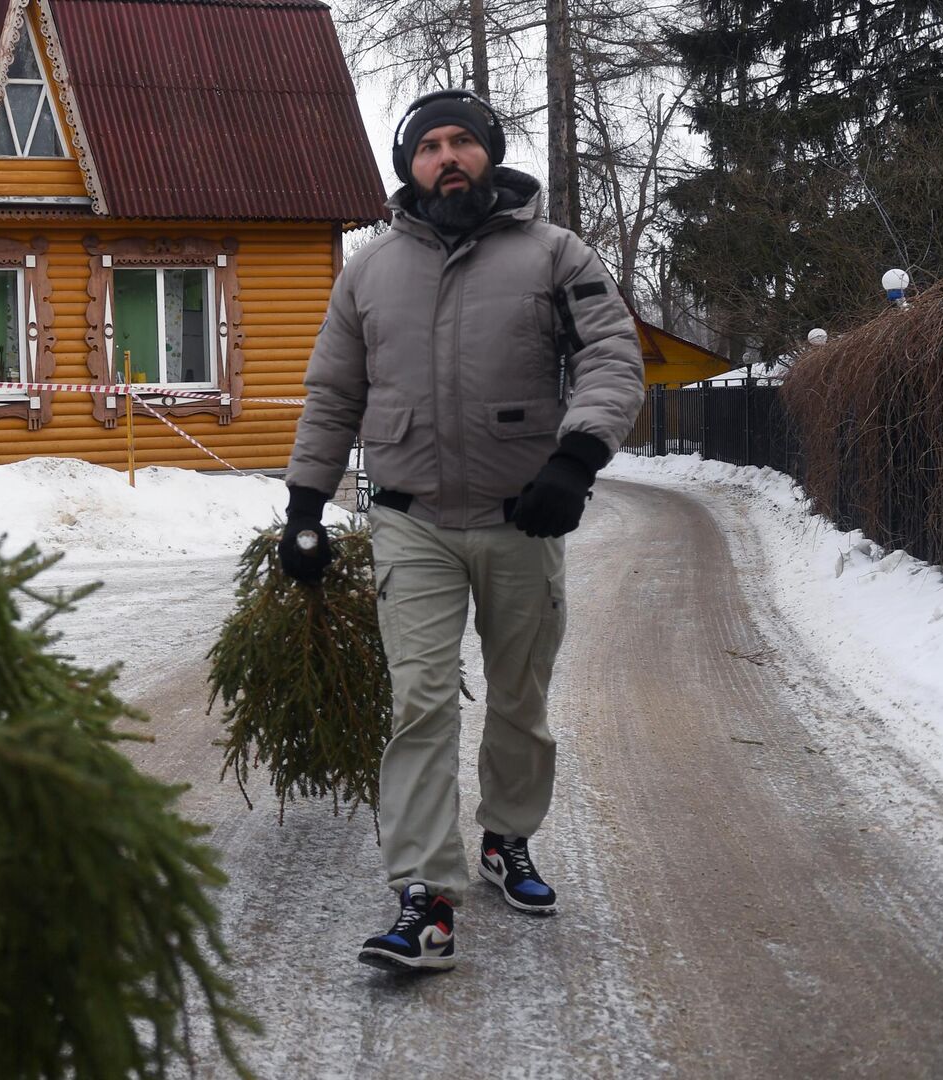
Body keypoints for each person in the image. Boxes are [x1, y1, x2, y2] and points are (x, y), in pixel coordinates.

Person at [280, 89, 644, 973]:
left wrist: (576, 459)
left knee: (519, 697)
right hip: (412, 522)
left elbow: (611, 355)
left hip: (525, 516)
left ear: (490, 154)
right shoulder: (367, 271)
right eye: (429, 147)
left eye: (462, 143)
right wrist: (303, 506)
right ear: (408, 167)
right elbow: (334, 395)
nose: (446, 158)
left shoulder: (556, 254)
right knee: (421, 706)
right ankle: (426, 897)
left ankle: (506, 839)